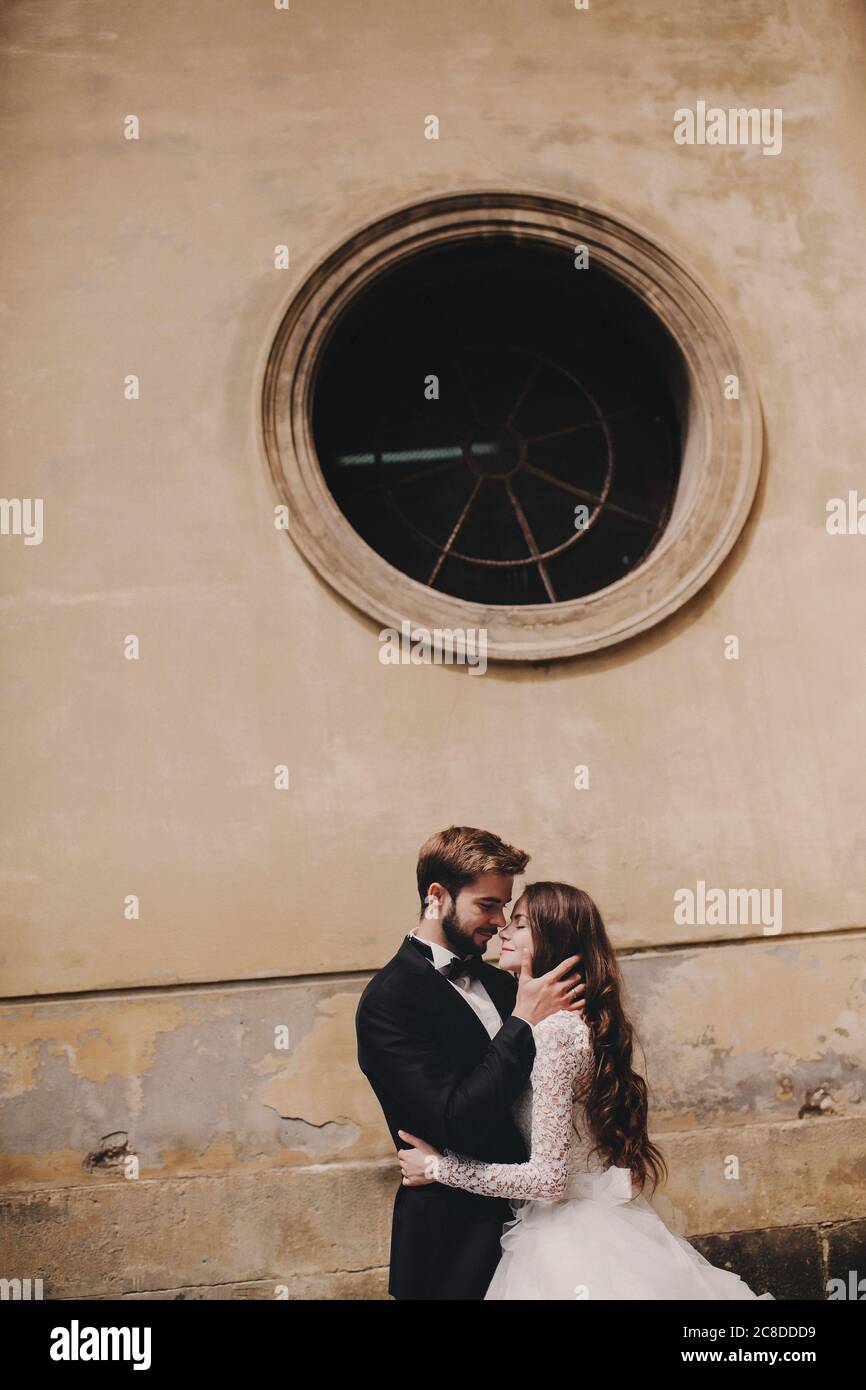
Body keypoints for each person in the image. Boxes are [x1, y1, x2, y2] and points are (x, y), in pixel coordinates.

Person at [398, 881, 775, 1301]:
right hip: (589, 1220)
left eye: (519, 923)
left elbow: (548, 1178)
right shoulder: (564, 1021)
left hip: (568, 1237)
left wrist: (439, 1169)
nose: (503, 930)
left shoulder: (556, 1034)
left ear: (553, 940)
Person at [355, 828, 585, 1300]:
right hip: (451, 1244)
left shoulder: (503, 981)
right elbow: (454, 1118)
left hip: (537, 1232)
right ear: (437, 898)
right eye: (487, 905)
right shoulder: (388, 1002)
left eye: (505, 907)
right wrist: (521, 1021)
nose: (500, 922)